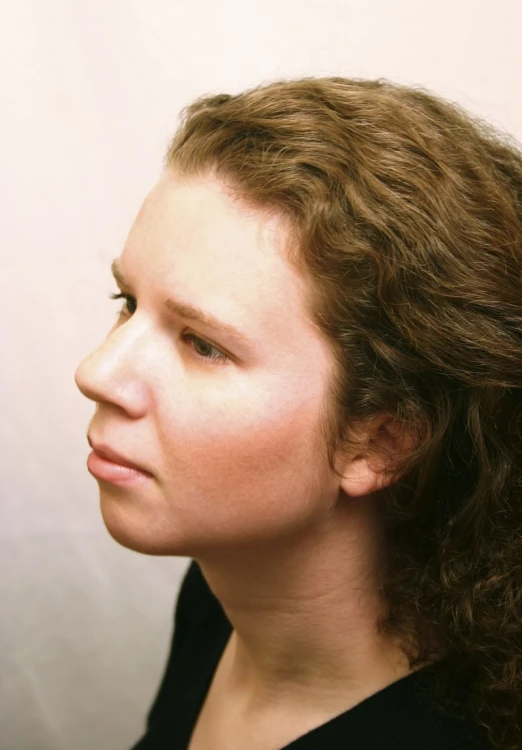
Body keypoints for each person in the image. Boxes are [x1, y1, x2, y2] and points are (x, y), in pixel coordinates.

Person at [74, 76, 522, 750]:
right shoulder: (223, 594)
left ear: (382, 440)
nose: (97, 372)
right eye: (128, 301)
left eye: (203, 345)